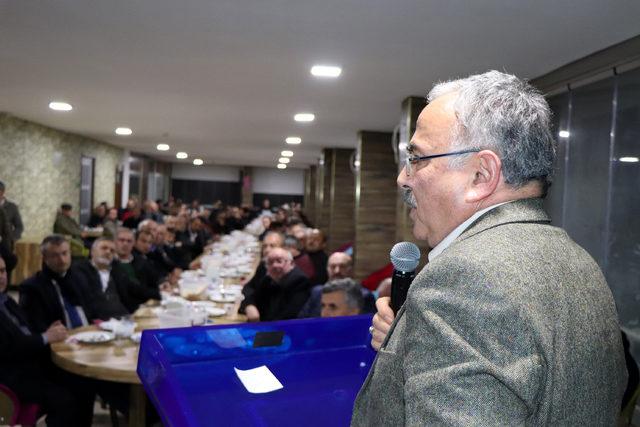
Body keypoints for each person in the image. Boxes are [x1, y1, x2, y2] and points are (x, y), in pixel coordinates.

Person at [352, 71, 626, 425]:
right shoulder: (578, 259)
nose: (403, 178)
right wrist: (410, 342)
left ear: (481, 175)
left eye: (418, 158)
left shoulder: (463, 280)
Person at [0, 255, 87, 427]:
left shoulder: (6, 299)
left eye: (2, 271)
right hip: (11, 375)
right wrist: (46, 337)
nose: (1, 276)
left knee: (82, 382)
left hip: (29, 364)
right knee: (66, 401)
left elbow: (25, 330)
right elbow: (8, 348)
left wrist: (46, 332)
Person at [19, 235, 96, 332]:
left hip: (89, 334)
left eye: (65, 253)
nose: (62, 260)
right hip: (61, 339)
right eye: (55, 256)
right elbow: (33, 324)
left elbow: (92, 309)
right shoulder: (32, 287)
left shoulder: (80, 278)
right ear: (44, 258)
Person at [298, 252, 375, 318]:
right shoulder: (317, 292)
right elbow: (301, 321)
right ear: (327, 269)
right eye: (333, 266)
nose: (337, 271)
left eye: (342, 267)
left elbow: (364, 326)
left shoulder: (364, 295)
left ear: (351, 270)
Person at [244, 247, 311, 322]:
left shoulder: (300, 282)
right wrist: (249, 305)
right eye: (270, 262)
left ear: (291, 263)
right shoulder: (269, 279)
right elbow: (253, 296)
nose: (274, 265)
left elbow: (289, 316)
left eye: (279, 261)